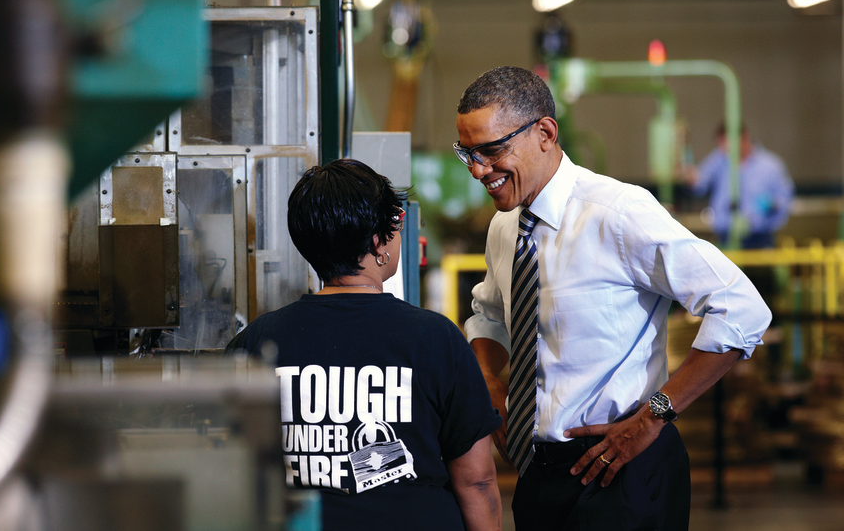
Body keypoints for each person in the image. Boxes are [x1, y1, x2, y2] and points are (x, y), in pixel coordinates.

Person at [455, 66, 771, 530]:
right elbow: (490, 315)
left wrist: (654, 417)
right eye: (468, 153)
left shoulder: (618, 215)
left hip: (621, 472)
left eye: (492, 150)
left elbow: (741, 309)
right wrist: (486, 378)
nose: (479, 170)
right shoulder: (506, 226)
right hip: (539, 474)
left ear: (544, 132)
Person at [227, 158, 503, 531]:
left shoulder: (255, 343)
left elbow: (232, 473)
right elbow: (477, 481)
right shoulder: (436, 339)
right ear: (379, 241)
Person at [687, 121, 794, 249]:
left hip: (761, 238)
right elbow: (699, 183)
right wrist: (689, 175)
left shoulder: (771, 165)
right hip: (725, 235)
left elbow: (785, 199)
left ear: (744, 138)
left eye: (727, 143)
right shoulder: (719, 159)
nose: (724, 149)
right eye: (721, 144)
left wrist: (772, 205)